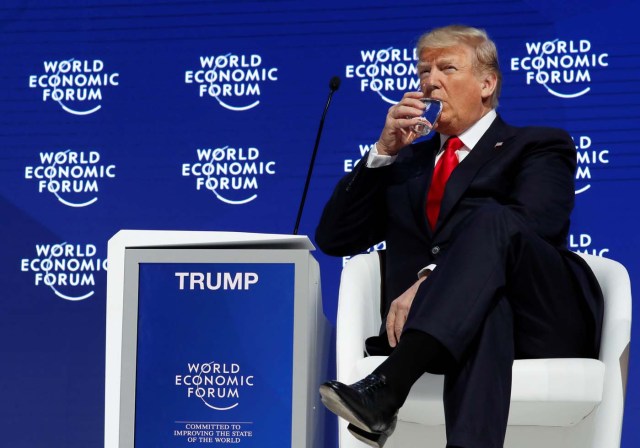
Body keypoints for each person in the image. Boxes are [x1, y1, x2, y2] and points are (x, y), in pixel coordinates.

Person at [315, 25, 603, 448]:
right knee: (485, 305)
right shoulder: (407, 165)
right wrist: (383, 152)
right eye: (424, 72)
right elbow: (335, 238)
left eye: (447, 68)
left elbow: (537, 223)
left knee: (492, 220)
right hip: (454, 326)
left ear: (487, 84)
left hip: (542, 316)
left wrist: (433, 278)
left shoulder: (537, 145)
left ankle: (388, 386)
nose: (431, 81)